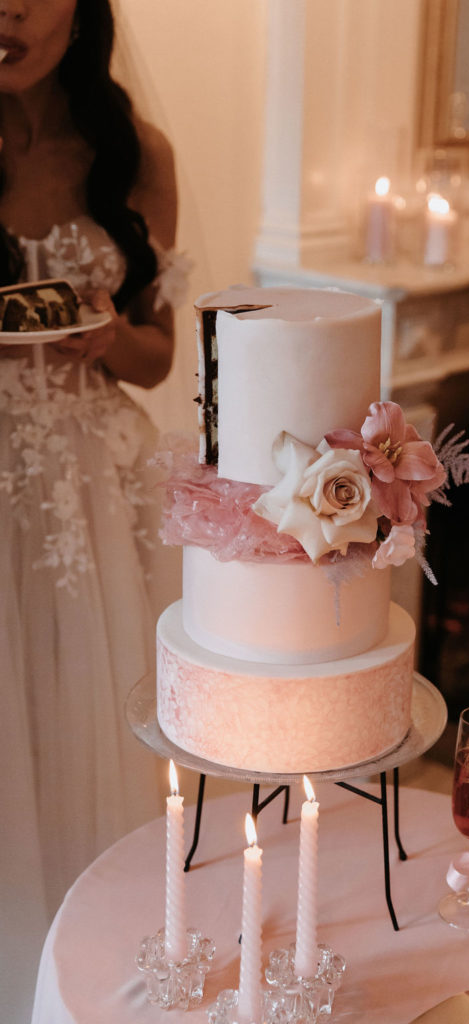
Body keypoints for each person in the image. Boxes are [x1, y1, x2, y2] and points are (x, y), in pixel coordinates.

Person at [0, 0, 185, 1016]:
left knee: (90, 731)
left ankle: (90, 984)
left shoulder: (135, 152)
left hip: (95, 498)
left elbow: (157, 358)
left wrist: (107, 337)